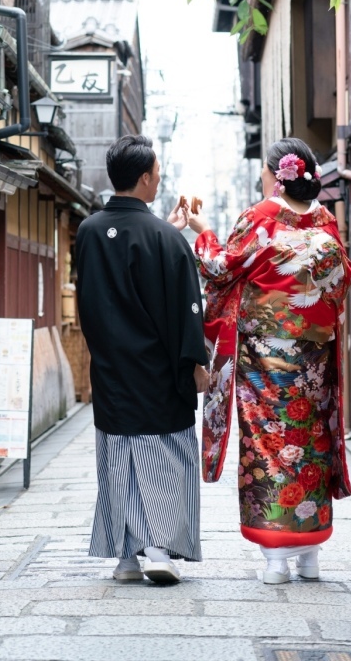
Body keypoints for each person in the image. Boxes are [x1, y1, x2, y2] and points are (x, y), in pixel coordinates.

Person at [173, 136, 351, 585]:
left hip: (264, 362)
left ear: (276, 175)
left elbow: (220, 268)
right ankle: (310, 555)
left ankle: (275, 559)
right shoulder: (327, 223)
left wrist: (202, 231)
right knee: (311, 443)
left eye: (264, 171)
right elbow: (339, 284)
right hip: (314, 361)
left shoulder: (261, 218)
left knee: (269, 446)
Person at [75, 134, 209, 586]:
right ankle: (157, 548)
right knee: (164, 458)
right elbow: (188, 308)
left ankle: (127, 556)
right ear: (147, 178)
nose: (161, 178)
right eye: (158, 173)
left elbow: (87, 303)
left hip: (111, 370)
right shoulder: (168, 239)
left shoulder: (89, 231)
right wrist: (196, 362)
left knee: (119, 459)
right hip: (158, 372)